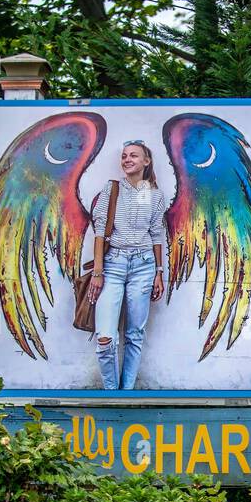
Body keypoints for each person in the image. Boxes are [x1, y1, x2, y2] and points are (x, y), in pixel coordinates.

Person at [88, 140, 167, 389]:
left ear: (146, 161)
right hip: (112, 265)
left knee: (134, 335)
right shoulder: (111, 189)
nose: (127, 159)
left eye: (134, 155)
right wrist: (98, 272)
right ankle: (111, 393)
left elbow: (156, 233)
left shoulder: (151, 194)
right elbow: (99, 231)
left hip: (144, 266)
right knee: (105, 337)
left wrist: (159, 272)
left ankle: (128, 393)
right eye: (124, 156)